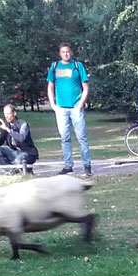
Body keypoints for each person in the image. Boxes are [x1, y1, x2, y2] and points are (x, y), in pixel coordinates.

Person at [47, 43, 92, 176]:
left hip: (75, 108)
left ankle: (87, 165)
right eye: (63, 52)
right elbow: (50, 87)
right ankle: (68, 165)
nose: (65, 54)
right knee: (64, 138)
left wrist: (80, 104)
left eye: (67, 52)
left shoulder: (78, 66)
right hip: (61, 109)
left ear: (71, 52)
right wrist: (53, 105)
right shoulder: (55, 67)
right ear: (60, 53)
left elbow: (86, 87)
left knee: (81, 137)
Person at [0, 104, 39, 175]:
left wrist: (7, 129)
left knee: (19, 159)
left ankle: (26, 172)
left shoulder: (23, 124)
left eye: (8, 114)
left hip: (28, 153)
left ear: (14, 113)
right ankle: (12, 171)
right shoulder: (6, 125)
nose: (6, 116)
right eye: (5, 114)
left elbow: (21, 138)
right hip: (14, 152)